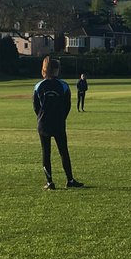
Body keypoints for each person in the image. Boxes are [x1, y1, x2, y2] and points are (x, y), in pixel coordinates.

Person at [34, 57, 83, 189]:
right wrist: (61, 118)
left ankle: (50, 182)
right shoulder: (63, 86)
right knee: (63, 151)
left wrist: (42, 117)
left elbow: (36, 107)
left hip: (43, 123)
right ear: (56, 69)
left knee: (46, 152)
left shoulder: (39, 86)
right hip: (58, 123)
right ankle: (70, 180)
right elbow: (67, 106)